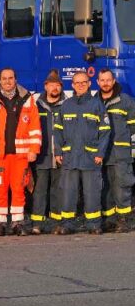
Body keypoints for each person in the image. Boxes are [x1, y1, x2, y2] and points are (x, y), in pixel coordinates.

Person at [54, 71, 111, 235]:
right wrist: (58, 151)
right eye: (77, 83)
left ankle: (93, 224)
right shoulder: (66, 105)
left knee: (92, 192)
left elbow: (105, 131)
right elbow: (57, 130)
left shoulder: (96, 104)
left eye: (83, 82)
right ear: (72, 85)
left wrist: (100, 153)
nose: (80, 85)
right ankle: (67, 224)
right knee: (67, 192)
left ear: (89, 83)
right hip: (69, 157)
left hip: (90, 157)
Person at [0, 68, 41, 236]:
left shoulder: (27, 99)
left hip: (20, 155)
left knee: (18, 189)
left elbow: (35, 127)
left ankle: (17, 223)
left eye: (10, 78)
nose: (7, 81)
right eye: (4, 78)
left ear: (16, 80)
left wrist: (34, 150)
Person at [95, 69, 135, 232]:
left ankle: (124, 220)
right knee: (105, 187)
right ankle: (110, 219)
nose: (105, 83)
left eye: (108, 80)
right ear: (98, 82)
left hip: (120, 153)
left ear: (114, 82)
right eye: (102, 80)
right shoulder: (94, 102)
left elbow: (133, 127)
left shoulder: (126, 101)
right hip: (101, 154)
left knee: (122, 186)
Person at [31, 71, 65, 235]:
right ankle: (37, 223)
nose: (54, 87)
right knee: (39, 191)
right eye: (51, 84)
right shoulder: (36, 106)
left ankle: (57, 223)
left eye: (58, 85)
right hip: (42, 156)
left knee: (58, 190)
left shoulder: (67, 105)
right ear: (45, 86)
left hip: (60, 156)